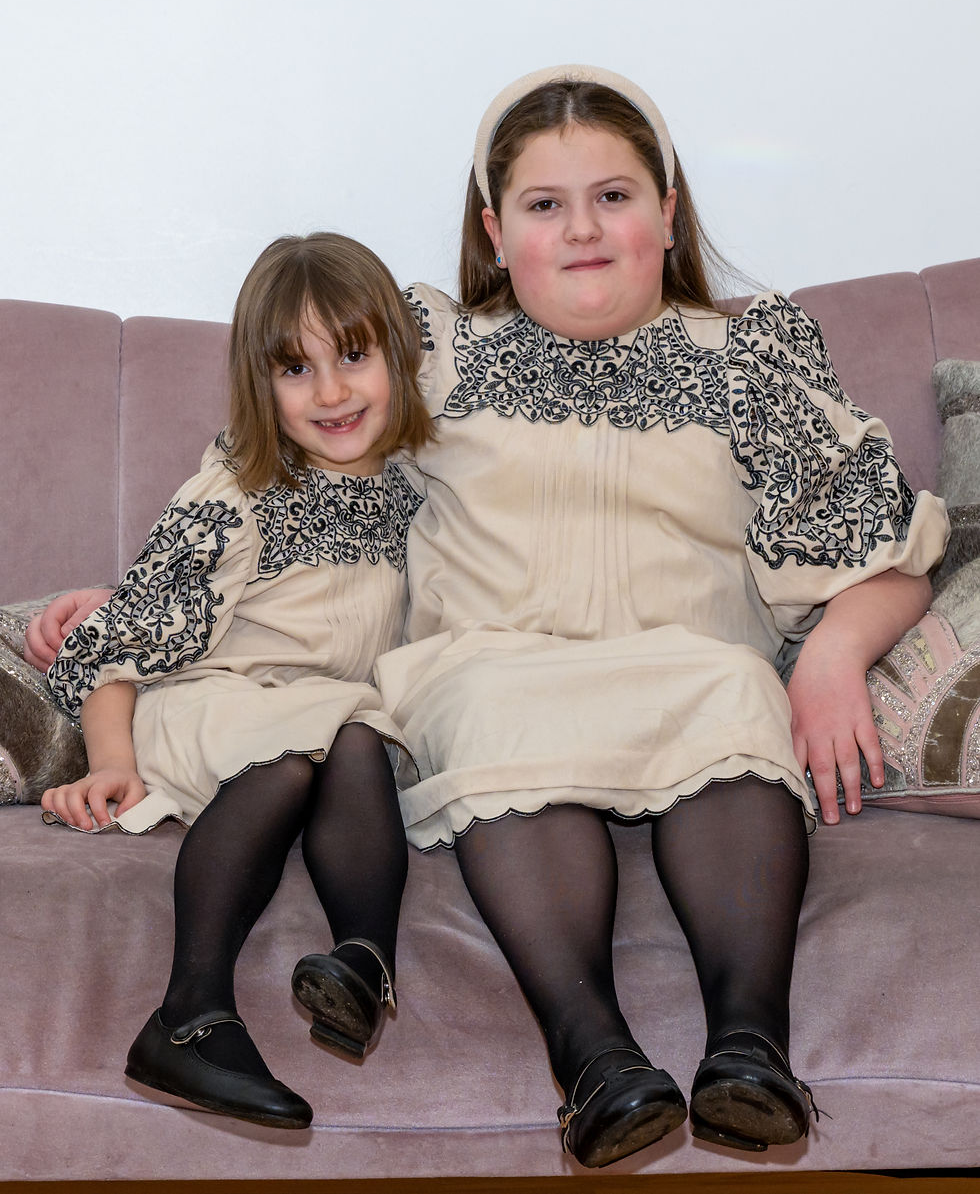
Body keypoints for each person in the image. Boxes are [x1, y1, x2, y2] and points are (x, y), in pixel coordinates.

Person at [28, 66, 950, 1166]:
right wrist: (138, 598)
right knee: (498, 702)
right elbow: (274, 471)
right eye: (544, 205)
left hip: (691, 663)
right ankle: (596, 1062)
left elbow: (895, 545)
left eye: (613, 196)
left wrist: (834, 651)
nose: (582, 229)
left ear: (667, 213)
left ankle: (750, 1050)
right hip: (488, 668)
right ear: (494, 232)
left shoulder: (750, 358)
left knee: (736, 690)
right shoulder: (430, 348)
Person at [38, 232, 434, 1130]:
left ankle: (364, 962)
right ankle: (190, 1012)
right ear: (260, 383)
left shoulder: (417, 490)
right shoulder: (241, 492)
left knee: (358, 733)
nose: (330, 392)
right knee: (302, 746)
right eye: (295, 369)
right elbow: (116, 643)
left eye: (355, 356)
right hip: (199, 706)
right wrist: (111, 763)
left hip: (323, 723)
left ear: (400, 358)